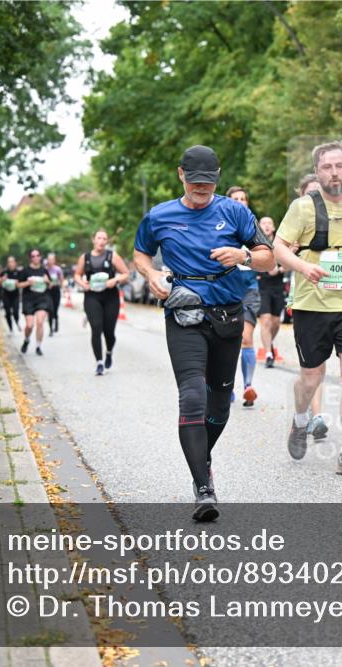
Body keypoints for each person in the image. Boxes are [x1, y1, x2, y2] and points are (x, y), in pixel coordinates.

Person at [134, 145, 274, 521]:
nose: (201, 191)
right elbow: (141, 253)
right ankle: (203, 487)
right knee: (192, 396)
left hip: (227, 315)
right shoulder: (159, 215)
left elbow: (268, 258)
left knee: (218, 404)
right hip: (184, 315)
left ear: (218, 177)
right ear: (180, 174)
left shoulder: (234, 211)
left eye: (208, 185)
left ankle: (201, 456)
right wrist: (151, 275)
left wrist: (242, 255)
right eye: (195, 184)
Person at [273, 140, 342, 477]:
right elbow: (278, 248)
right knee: (312, 377)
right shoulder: (302, 208)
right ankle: (300, 420)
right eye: (326, 167)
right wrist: (303, 268)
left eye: (339, 166)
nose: (334, 172)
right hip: (311, 304)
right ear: (317, 171)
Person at [294, 174, 329, 441]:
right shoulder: (295, 224)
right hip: (306, 300)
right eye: (311, 195)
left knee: (320, 366)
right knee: (310, 369)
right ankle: (303, 416)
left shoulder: (341, 220)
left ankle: (316, 417)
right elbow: (276, 262)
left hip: (336, 301)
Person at [74, 230, 130, 375]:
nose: (101, 241)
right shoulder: (85, 258)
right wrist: (83, 284)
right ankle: (99, 362)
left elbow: (126, 273)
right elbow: (77, 275)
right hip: (92, 297)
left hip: (110, 297)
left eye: (104, 239)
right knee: (96, 328)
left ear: (106, 242)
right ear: (94, 239)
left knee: (109, 332)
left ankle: (109, 352)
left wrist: (115, 280)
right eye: (99, 238)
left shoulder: (112, 256)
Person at [226, 185, 261, 407]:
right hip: (225, 290)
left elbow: (266, 253)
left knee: (246, 337)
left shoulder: (253, 227)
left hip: (249, 290)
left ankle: (248, 386)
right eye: (236, 199)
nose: (240, 201)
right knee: (228, 341)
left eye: (243, 198)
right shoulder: (221, 224)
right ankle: (226, 385)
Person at [256, 216, 286, 368]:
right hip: (262, 286)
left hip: (278, 286)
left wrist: (280, 269)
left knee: (275, 322)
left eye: (269, 223)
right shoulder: (255, 243)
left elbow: (289, 261)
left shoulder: (280, 244)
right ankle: (268, 353)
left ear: (274, 228)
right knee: (265, 320)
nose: (267, 226)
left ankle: (270, 344)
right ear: (259, 227)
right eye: (263, 223)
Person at [18, 249, 52, 355]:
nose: (35, 257)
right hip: (29, 300)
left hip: (42, 298)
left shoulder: (44, 270)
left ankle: (38, 346)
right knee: (29, 325)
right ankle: (27, 339)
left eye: (37, 255)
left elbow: (50, 285)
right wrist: (28, 283)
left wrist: (47, 281)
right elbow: (18, 285)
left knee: (40, 322)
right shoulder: (25, 271)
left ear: (40, 257)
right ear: (30, 258)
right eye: (33, 256)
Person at [0, 257, 23, 333]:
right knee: (8, 313)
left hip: (15, 295)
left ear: (15, 263)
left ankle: (17, 322)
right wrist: (1, 280)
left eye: (12, 262)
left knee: (16, 311)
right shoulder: (4, 272)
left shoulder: (18, 272)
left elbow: (22, 283)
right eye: (9, 262)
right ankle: (10, 328)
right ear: (7, 263)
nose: (11, 264)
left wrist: (18, 284)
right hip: (6, 295)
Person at [46, 253, 65, 336]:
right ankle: (51, 329)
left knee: (55, 309)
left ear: (54, 260)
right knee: (50, 310)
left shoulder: (58, 269)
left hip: (56, 291)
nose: (50, 261)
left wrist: (56, 283)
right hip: (47, 292)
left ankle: (56, 320)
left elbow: (61, 281)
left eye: (52, 259)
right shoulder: (45, 270)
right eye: (49, 259)